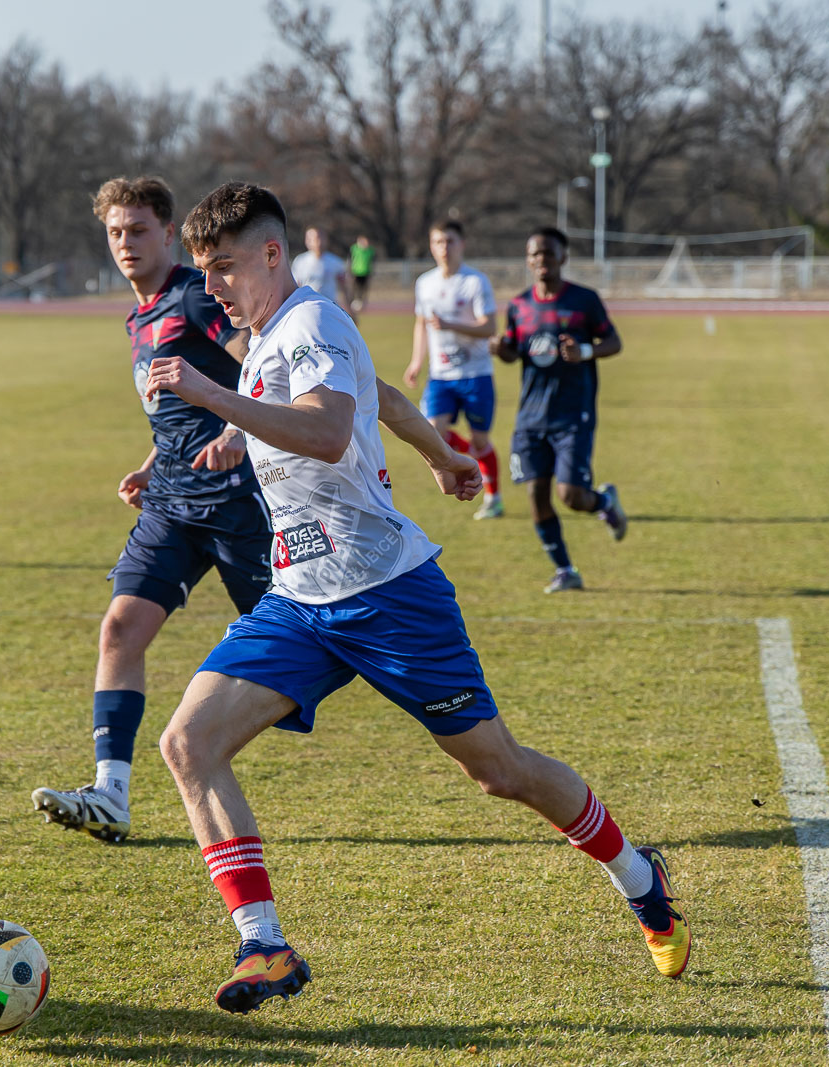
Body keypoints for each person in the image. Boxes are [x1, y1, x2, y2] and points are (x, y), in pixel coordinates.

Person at [143, 182, 688, 1015]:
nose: (210, 285)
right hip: (301, 600)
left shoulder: (313, 321)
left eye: (222, 268)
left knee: (499, 770)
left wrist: (213, 397)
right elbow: (383, 398)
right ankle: (265, 943)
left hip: (390, 595)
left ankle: (640, 877)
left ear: (271, 255)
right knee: (187, 742)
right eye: (205, 270)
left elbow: (328, 430)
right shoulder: (265, 342)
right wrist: (437, 453)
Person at [29, 176, 272, 845]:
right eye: (116, 232)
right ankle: (111, 791)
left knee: (309, 639)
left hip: (235, 500)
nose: (127, 243)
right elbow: (175, 402)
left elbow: (259, 358)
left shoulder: (195, 297)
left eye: (139, 230)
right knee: (120, 629)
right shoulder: (141, 314)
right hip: (170, 498)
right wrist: (149, 460)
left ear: (169, 233)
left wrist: (237, 432)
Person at [491, 227, 627, 593]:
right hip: (530, 417)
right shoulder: (519, 306)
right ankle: (566, 570)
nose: (541, 261)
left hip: (573, 414)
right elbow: (512, 351)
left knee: (570, 495)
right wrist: (499, 349)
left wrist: (584, 352)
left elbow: (613, 341)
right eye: (534, 255)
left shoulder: (583, 301)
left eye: (548, 254)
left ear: (563, 257)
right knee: (536, 495)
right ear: (528, 260)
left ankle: (603, 500)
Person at [403, 219, 502, 519]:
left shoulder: (475, 282)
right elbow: (422, 325)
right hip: (441, 376)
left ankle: (494, 498)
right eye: (438, 242)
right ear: (431, 247)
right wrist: (416, 361)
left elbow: (490, 328)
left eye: (449, 241)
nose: (444, 248)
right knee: (432, 431)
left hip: (476, 374)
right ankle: (464, 458)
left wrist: (450, 325)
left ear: (462, 244)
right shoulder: (425, 283)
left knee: (481, 441)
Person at [290, 227, 352, 314]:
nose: (317, 241)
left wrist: (349, 310)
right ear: (307, 241)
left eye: (320, 237)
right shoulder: (300, 261)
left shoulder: (336, 262)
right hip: (307, 310)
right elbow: (294, 287)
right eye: (312, 238)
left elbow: (343, 288)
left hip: (329, 309)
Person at [346, 234, 373, 313]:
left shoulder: (370, 251)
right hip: (355, 272)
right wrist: (349, 271)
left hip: (365, 273)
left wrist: (371, 272)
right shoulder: (354, 249)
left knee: (363, 290)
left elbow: (372, 262)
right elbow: (350, 260)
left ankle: (361, 305)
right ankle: (351, 305)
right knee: (353, 289)